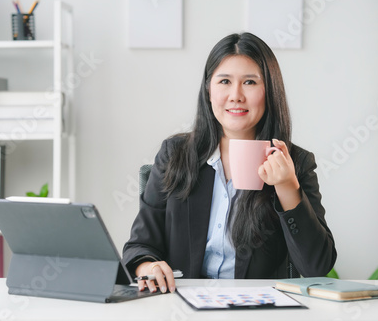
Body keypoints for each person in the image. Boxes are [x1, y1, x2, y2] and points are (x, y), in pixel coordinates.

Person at [122, 32, 337, 294]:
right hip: (181, 303)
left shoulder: (296, 162)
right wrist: (147, 267)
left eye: (249, 82)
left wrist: (287, 186)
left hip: (257, 307)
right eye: (224, 81)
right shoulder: (175, 154)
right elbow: (139, 246)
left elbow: (316, 267)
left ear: (269, 91)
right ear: (208, 90)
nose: (236, 95)